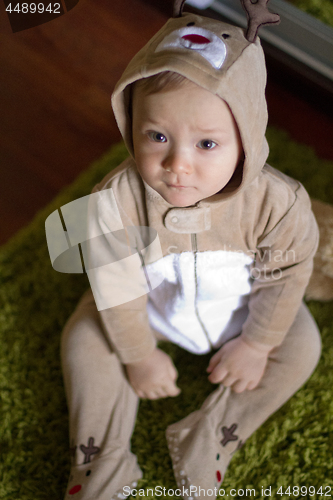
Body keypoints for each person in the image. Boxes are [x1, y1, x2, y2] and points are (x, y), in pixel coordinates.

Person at [61, 7, 321, 500]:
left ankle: (213, 435)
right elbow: (115, 286)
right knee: (83, 337)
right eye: (157, 136)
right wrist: (138, 355)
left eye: (206, 144)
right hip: (150, 311)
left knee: (302, 344)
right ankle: (98, 458)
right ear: (129, 123)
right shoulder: (112, 202)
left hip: (239, 314)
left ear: (246, 142)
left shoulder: (278, 203)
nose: (177, 165)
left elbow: (286, 275)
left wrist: (257, 345)